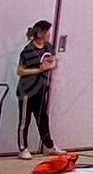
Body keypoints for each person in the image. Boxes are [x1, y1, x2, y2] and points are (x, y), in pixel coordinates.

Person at [16, 20, 60, 155]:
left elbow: (54, 63)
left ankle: (48, 146)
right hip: (27, 90)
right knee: (25, 120)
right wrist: (39, 70)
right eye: (47, 32)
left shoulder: (48, 47)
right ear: (40, 33)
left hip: (41, 90)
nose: (49, 35)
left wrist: (49, 66)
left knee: (43, 119)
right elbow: (20, 71)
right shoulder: (28, 50)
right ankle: (23, 148)